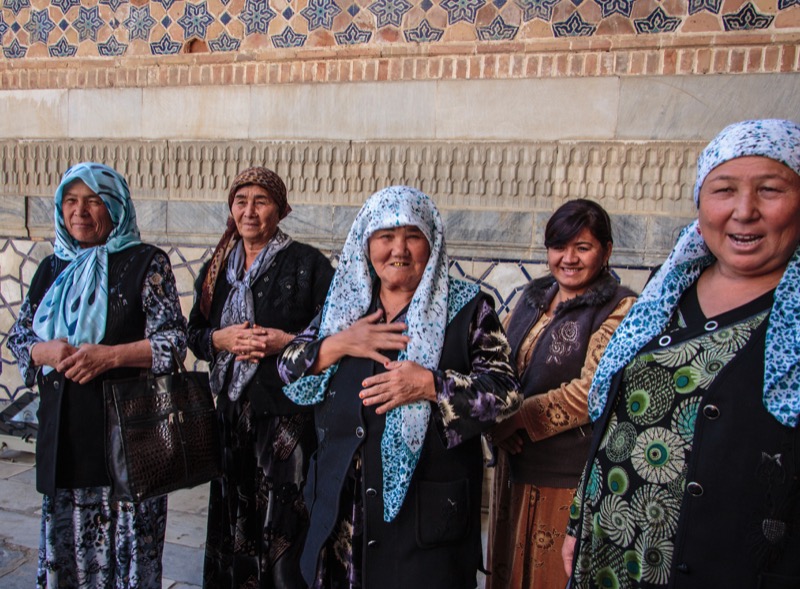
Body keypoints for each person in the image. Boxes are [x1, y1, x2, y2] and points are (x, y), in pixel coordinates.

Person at [563, 119, 800, 588]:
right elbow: (620, 422)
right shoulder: (668, 294)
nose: (744, 211)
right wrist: (579, 521)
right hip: (613, 545)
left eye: (770, 190)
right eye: (724, 190)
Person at [278, 185, 521, 588]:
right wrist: (341, 343)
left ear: (432, 243)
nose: (399, 250)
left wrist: (431, 385)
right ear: (366, 242)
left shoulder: (468, 308)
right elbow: (288, 371)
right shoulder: (346, 305)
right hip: (341, 513)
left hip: (423, 524)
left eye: (412, 236)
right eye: (385, 237)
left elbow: (506, 393)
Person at [6, 162, 187, 588]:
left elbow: (174, 342)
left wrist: (109, 357)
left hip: (126, 444)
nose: (80, 212)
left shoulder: (145, 263)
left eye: (93, 201)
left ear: (116, 206)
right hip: (65, 440)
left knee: (127, 559)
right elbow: (19, 338)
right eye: (71, 201)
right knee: (68, 556)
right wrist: (42, 349)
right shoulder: (51, 268)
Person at [187, 166, 334, 588]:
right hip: (230, 415)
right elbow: (193, 334)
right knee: (234, 513)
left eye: (261, 201)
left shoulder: (307, 264)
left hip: (287, 418)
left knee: (283, 522)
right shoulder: (218, 268)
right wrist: (220, 337)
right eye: (241, 201)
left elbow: (336, 334)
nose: (249, 211)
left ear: (282, 210)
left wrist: (283, 341)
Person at [486, 199, 636, 589]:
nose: (568, 258)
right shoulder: (532, 298)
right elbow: (494, 366)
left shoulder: (620, 306)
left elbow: (592, 389)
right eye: (558, 247)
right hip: (513, 472)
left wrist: (513, 418)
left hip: (568, 479)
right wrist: (493, 420)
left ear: (606, 251)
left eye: (582, 247)